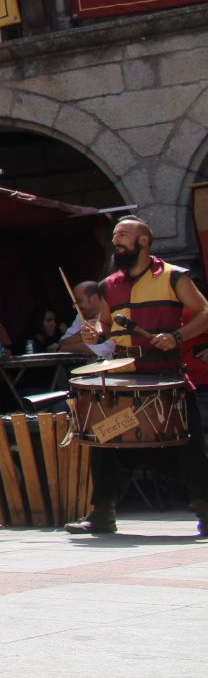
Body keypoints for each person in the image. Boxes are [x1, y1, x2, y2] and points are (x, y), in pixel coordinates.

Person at [68, 218, 208, 537]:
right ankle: (101, 513)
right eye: (115, 235)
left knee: (188, 445)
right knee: (104, 439)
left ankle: (206, 510)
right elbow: (106, 325)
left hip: (165, 374)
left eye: (124, 236)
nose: (116, 240)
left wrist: (177, 335)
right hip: (124, 376)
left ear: (144, 241)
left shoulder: (173, 276)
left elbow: (205, 312)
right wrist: (95, 333)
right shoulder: (109, 284)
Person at [57, 282, 115, 358]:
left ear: (93, 298)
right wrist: (81, 334)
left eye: (78, 301)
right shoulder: (81, 316)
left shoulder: (114, 310)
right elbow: (62, 342)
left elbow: (103, 349)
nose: (74, 307)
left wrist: (60, 349)